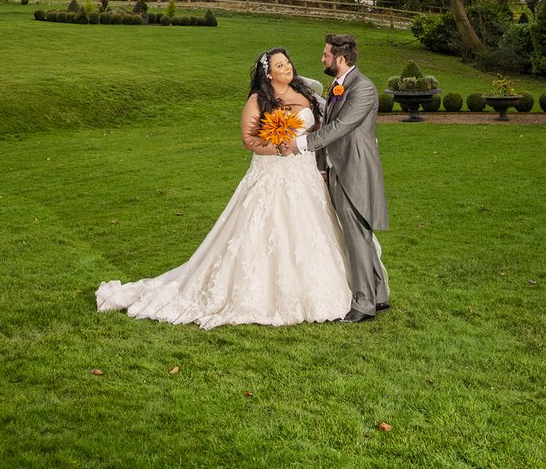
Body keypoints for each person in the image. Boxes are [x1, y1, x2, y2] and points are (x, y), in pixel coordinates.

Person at [95, 47, 353, 329]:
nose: (287, 67)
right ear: (268, 74)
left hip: (303, 173)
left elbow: (316, 131)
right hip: (271, 173)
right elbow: (249, 140)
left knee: (311, 229)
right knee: (265, 228)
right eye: (280, 65)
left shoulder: (305, 93)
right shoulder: (258, 100)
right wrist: (278, 148)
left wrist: (315, 159)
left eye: (287, 62)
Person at [279, 33, 390, 322]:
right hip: (338, 168)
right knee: (359, 235)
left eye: (326, 55)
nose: (322, 58)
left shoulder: (363, 88)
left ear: (340, 59)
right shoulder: (340, 86)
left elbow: (340, 126)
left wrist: (301, 144)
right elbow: (329, 118)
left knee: (356, 236)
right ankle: (379, 295)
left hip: (355, 169)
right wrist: (323, 167)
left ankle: (364, 304)